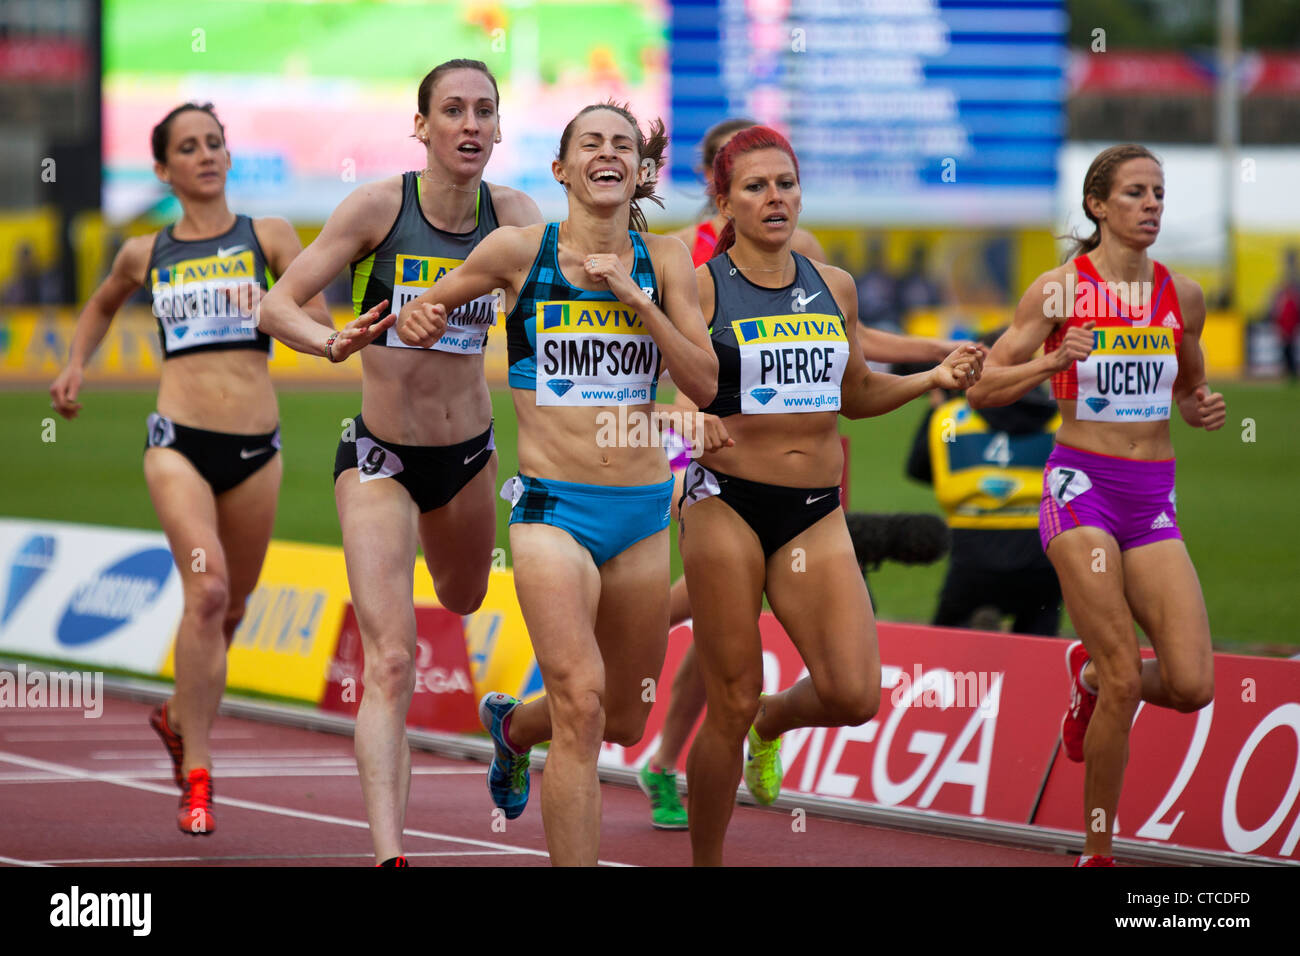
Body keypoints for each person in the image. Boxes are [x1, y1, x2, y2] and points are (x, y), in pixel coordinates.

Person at [396, 102, 719, 865]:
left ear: (639, 172)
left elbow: (703, 384)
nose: (608, 154)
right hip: (552, 510)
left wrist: (636, 299)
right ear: (563, 170)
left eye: (623, 146)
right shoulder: (519, 250)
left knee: (624, 723)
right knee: (581, 703)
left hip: (642, 513)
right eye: (591, 144)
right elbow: (430, 306)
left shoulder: (667, 261)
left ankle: (510, 729)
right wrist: (419, 319)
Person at [258, 60, 542, 867]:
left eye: (485, 111)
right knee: (389, 658)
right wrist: (332, 340)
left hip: (468, 453)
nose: (470, 124)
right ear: (421, 127)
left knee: (464, 595)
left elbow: (552, 335)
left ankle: (507, 730)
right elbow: (275, 304)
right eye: (452, 110)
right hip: (379, 456)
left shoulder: (516, 218)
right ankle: (390, 855)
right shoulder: (380, 208)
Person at [637, 120, 956, 831]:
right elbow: (666, 389)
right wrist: (680, 420)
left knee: (854, 694)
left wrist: (934, 373)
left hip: (814, 508)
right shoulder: (698, 286)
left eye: (786, 184)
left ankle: (773, 725)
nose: (775, 197)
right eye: (756, 187)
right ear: (726, 202)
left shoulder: (832, 284)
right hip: (725, 500)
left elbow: (857, 393)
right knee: (731, 693)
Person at [49, 102, 332, 835]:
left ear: (228, 157)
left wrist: (332, 335)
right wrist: (75, 364)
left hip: (255, 449)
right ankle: (199, 777)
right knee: (205, 593)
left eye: (214, 142)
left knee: (230, 609)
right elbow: (104, 302)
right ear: (163, 169)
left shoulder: (266, 236)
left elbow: (316, 320)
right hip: (177, 442)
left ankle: (179, 715)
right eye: (188, 147)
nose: (205, 154)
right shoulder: (144, 252)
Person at [967, 143, 1225, 867]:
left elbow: (1187, 382)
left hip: (1153, 499)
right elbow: (983, 389)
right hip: (1080, 488)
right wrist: (1052, 361)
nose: (1152, 206)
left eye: (1159, 194)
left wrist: (1200, 405)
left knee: (1191, 683)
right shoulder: (1058, 292)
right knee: (1125, 673)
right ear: (1097, 206)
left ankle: (1083, 680)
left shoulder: (1184, 294)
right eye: (1137, 193)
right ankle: (1098, 852)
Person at [906, 329, 1063, 636]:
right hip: (1044, 547)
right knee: (1040, 638)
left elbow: (919, 468)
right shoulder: (1061, 418)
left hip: (972, 550)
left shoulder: (951, 418)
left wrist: (937, 406)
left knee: (945, 641)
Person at [1268, 248, 1299, 381]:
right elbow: (1278, 316)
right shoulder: (1285, 300)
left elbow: (1294, 316)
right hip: (1286, 329)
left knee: (1289, 351)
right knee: (1286, 351)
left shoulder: (1291, 300)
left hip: (1289, 329)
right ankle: (1289, 371)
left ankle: (1291, 371)